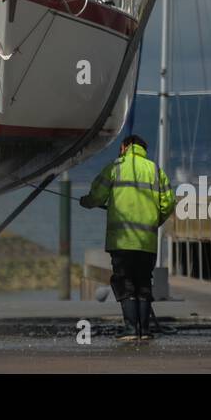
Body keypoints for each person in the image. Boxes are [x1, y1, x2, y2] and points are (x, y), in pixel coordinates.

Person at [80, 134, 176, 340]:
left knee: (125, 282)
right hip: (147, 242)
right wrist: (156, 220)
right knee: (143, 283)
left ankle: (131, 330)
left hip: (122, 241)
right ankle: (145, 330)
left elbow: (97, 196)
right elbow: (169, 202)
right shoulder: (155, 170)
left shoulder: (115, 167)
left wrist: (86, 202)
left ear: (125, 147)